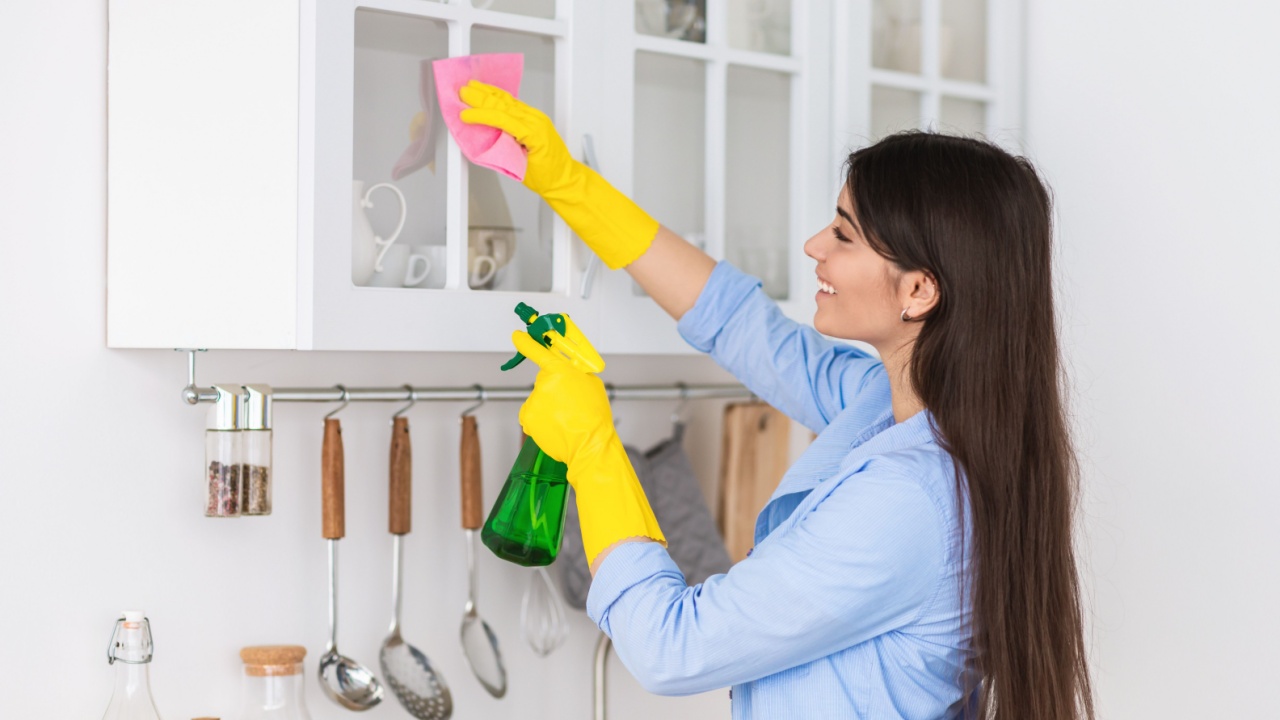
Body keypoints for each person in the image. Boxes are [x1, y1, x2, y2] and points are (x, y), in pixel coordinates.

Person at [460, 81, 1095, 720]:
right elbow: (741, 326)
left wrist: (593, 448)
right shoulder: (892, 405)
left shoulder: (906, 503)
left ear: (920, 291)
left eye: (844, 236)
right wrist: (568, 183)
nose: (815, 246)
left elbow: (671, 647)